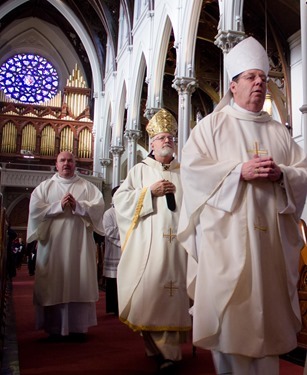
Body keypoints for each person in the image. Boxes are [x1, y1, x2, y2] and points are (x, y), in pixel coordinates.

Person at [177, 36, 307, 375]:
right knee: (232, 323)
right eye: (251, 77)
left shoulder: (279, 132)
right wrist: (238, 172)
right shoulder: (210, 127)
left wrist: (283, 174)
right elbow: (192, 173)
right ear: (232, 86)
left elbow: (302, 172)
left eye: (263, 79)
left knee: (268, 330)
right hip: (227, 245)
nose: (260, 83)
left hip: (271, 249)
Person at [113, 109, 191, 372]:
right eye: (162, 137)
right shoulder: (140, 171)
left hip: (179, 247)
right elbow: (120, 201)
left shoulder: (185, 172)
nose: (168, 140)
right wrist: (149, 193)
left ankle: (163, 349)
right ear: (152, 144)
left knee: (176, 294)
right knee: (153, 294)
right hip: (151, 247)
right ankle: (167, 353)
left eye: (171, 137)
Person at [27, 151, 104, 341]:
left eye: (70, 160)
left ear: (75, 163)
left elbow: (98, 206)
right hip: (53, 245)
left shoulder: (87, 186)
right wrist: (58, 206)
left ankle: (78, 328)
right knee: (55, 282)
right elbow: (35, 210)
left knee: (78, 280)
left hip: (79, 245)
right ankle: (54, 329)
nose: (66, 163)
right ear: (56, 163)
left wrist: (78, 206)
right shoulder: (45, 187)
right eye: (63, 160)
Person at [102, 185, 121, 315]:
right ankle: (113, 308)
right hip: (114, 250)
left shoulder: (128, 211)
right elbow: (109, 231)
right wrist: (125, 236)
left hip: (126, 251)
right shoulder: (109, 213)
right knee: (113, 281)